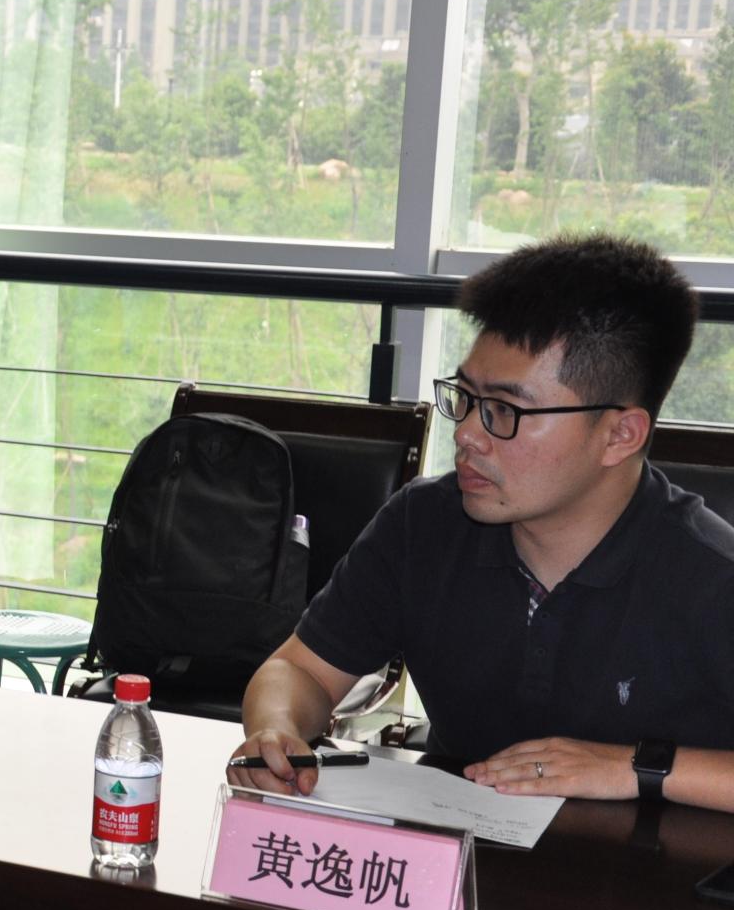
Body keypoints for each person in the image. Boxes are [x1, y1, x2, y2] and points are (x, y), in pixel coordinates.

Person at [231, 234, 734, 812]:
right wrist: (275, 731)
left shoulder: (712, 578)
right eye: (465, 398)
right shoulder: (424, 524)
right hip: (462, 852)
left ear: (620, 435)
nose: (467, 433)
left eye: (503, 410)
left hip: (651, 866)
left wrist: (632, 766)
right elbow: (301, 671)